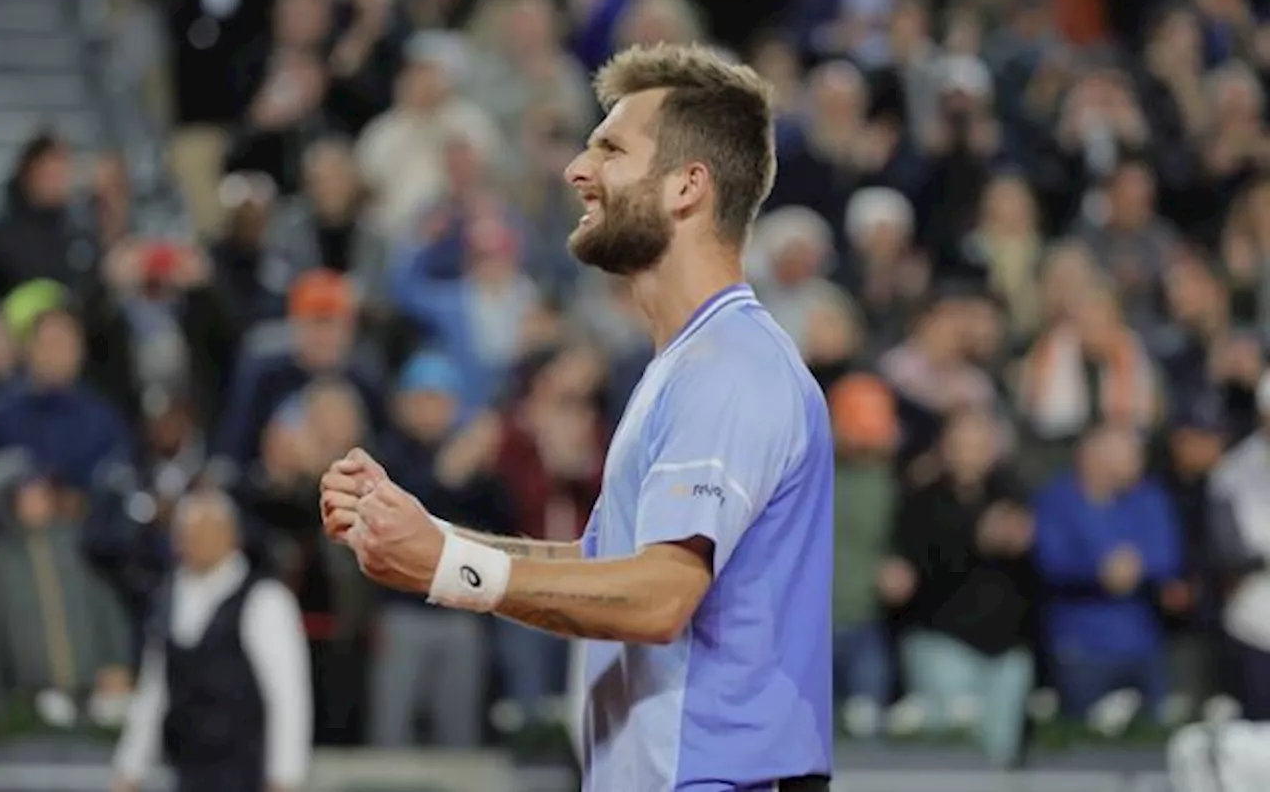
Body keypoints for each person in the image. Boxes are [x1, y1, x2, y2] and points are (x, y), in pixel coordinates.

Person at [320, 42, 835, 791]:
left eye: (612, 149)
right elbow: (605, 572)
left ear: (686, 188)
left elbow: (658, 597)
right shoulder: (687, 367)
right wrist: (431, 538)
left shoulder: (731, 368)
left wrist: (449, 568)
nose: (577, 170)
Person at [111, 490, 312, 792]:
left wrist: (286, 777)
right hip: (188, 772)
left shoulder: (264, 600)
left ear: (231, 535)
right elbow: (154, 692)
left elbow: (288, 697)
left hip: (246, 773)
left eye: (204, 532)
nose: (192, 542)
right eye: (186, 534)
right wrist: (129, 770)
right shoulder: (169, 599)